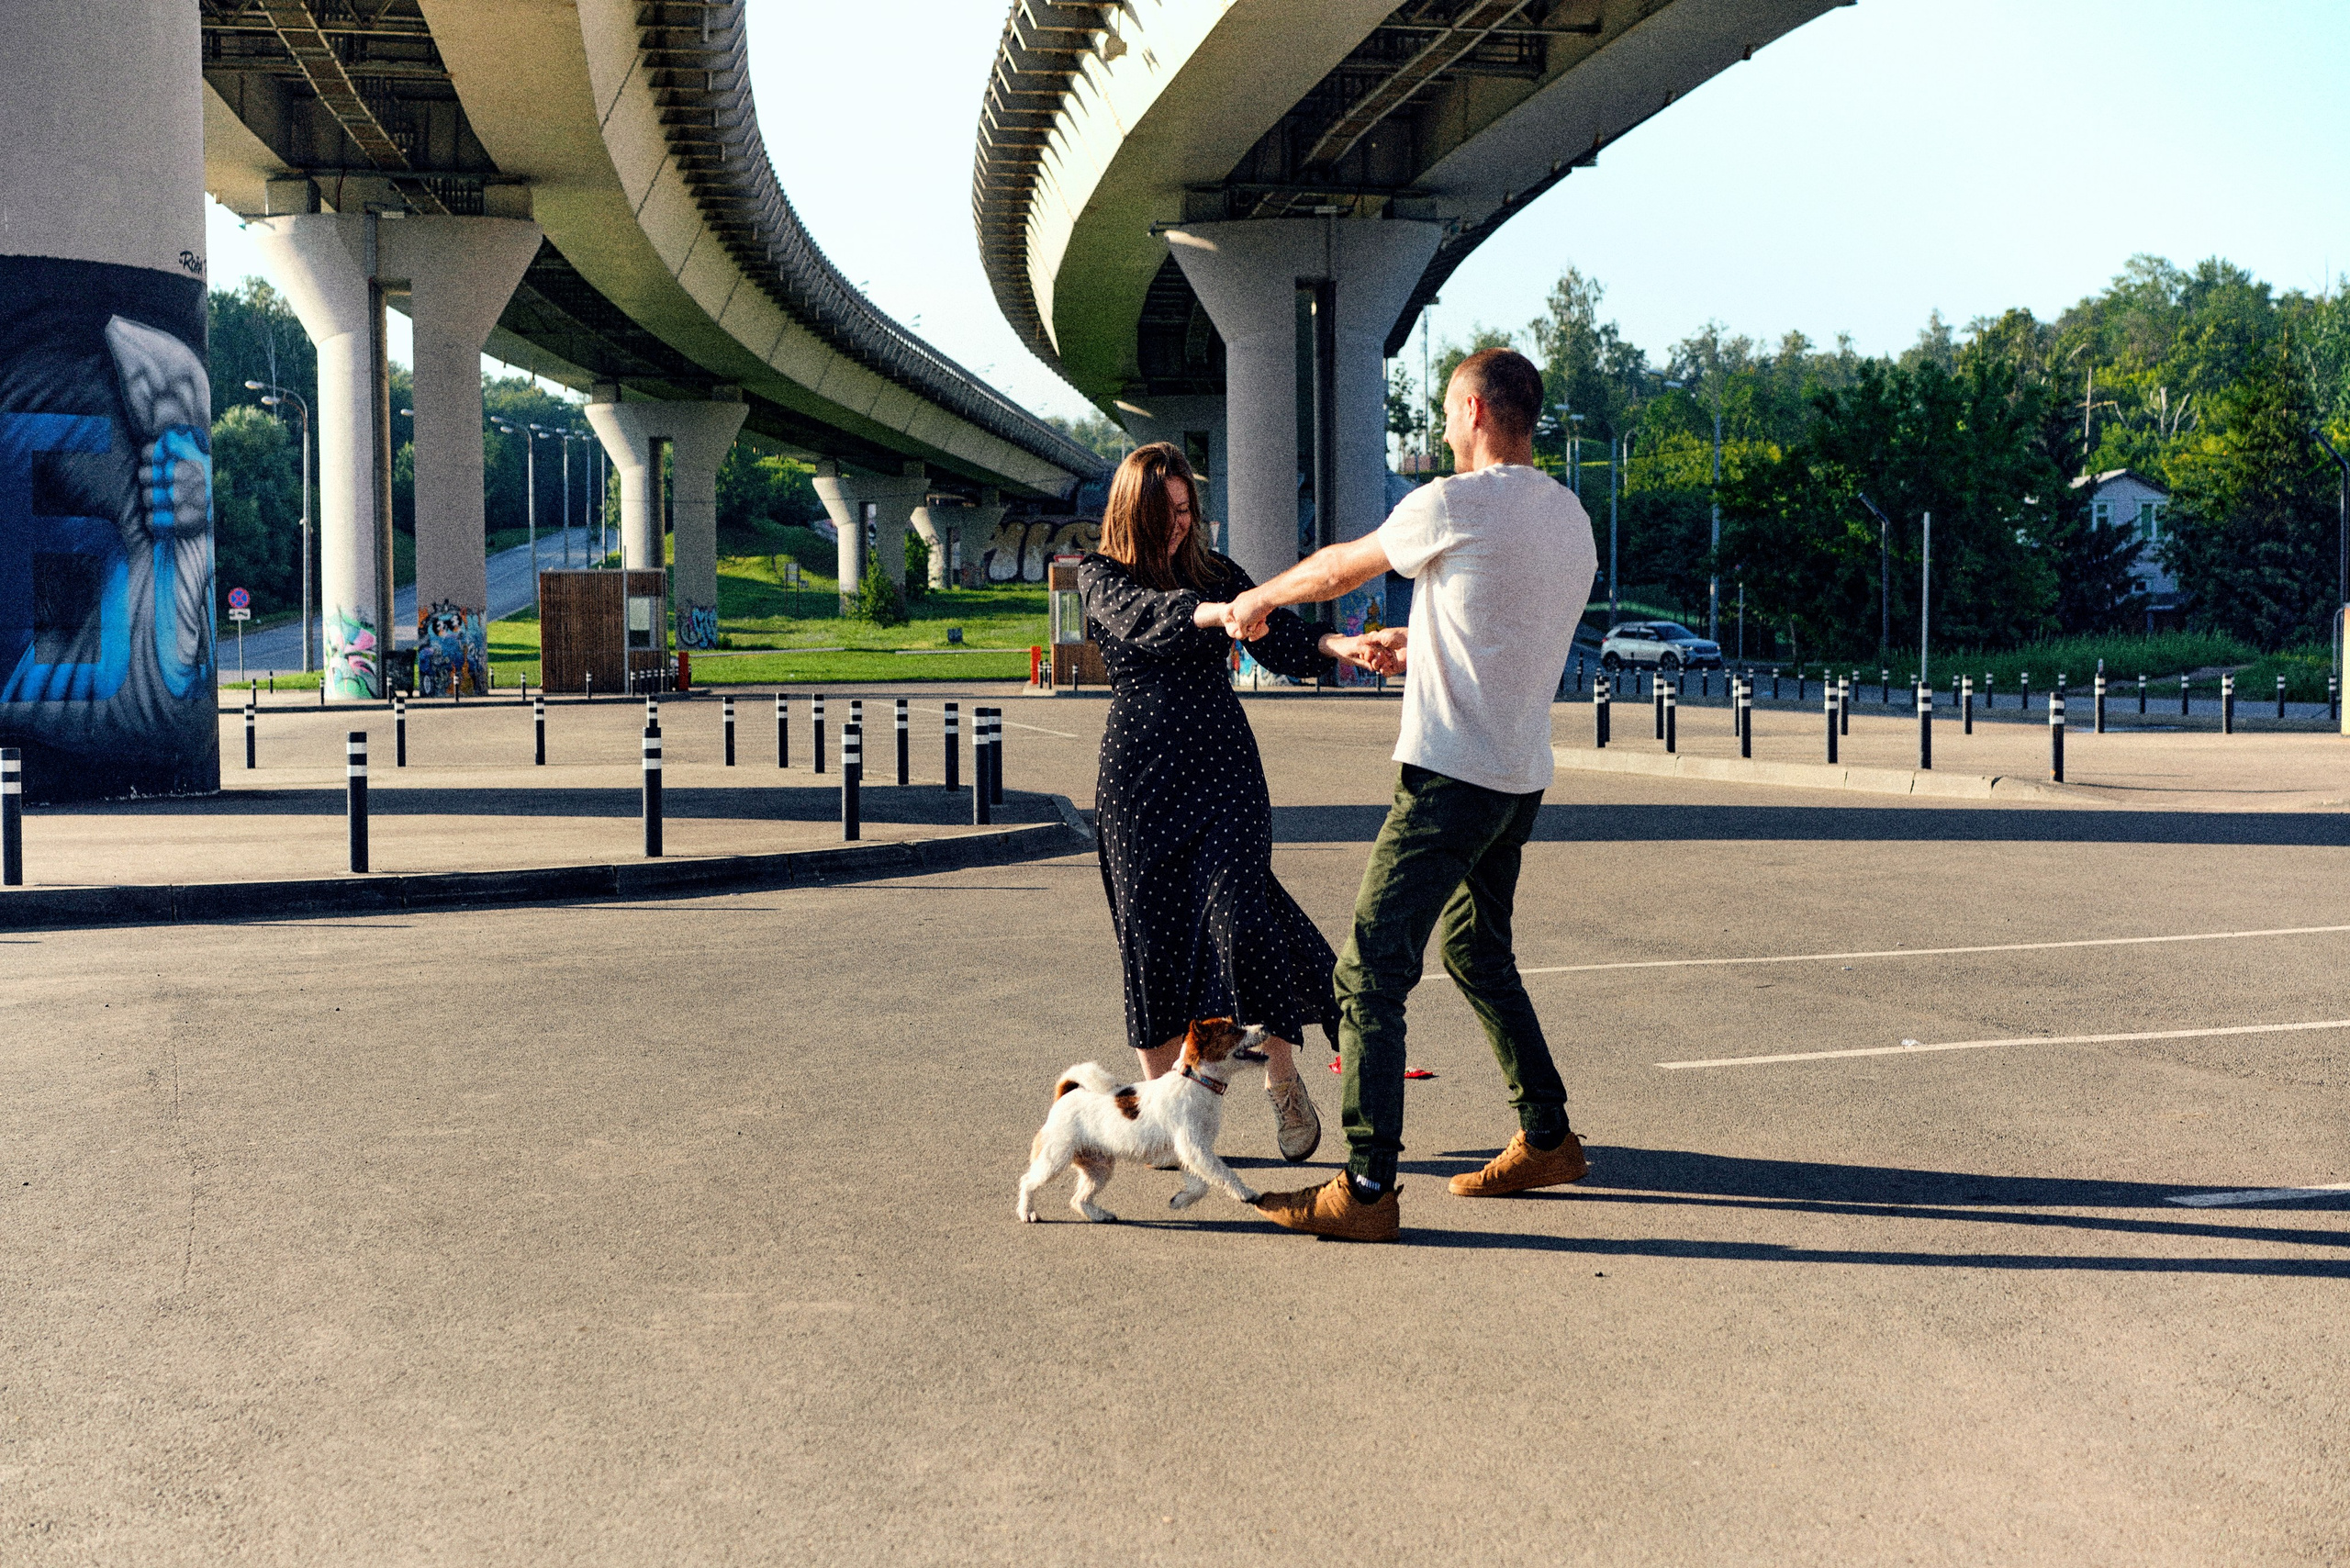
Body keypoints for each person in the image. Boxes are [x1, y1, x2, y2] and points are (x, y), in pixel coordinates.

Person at [1204, 347, 1597, 1241]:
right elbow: (1507, 629)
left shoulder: (1454, 501)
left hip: (1449, 776)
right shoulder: (1568, 517)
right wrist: (1412, 646)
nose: (1444, 424)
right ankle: (1547, 1135)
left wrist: (1255, 601)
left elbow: (1345, 562)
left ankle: (1367, 1186)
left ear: (1470, 409)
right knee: (1473, 949)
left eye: (1448, 410)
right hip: (1518, 778)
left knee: (1368, 970)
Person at [1078, 442, 1404, 1160]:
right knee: (1152, 935)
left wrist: (1341, 646)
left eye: (1187, 511)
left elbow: (1280, 635)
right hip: (1140, 784)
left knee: (1244, 917)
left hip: (1223, 772)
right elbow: (1149, 617)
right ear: (1131, 514)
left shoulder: (1217, 571)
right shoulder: (1101, 577)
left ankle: (1282, 1081)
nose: (1178, 527)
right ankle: (1164, 1113)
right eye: (1164, 515)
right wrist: (1220, 614)